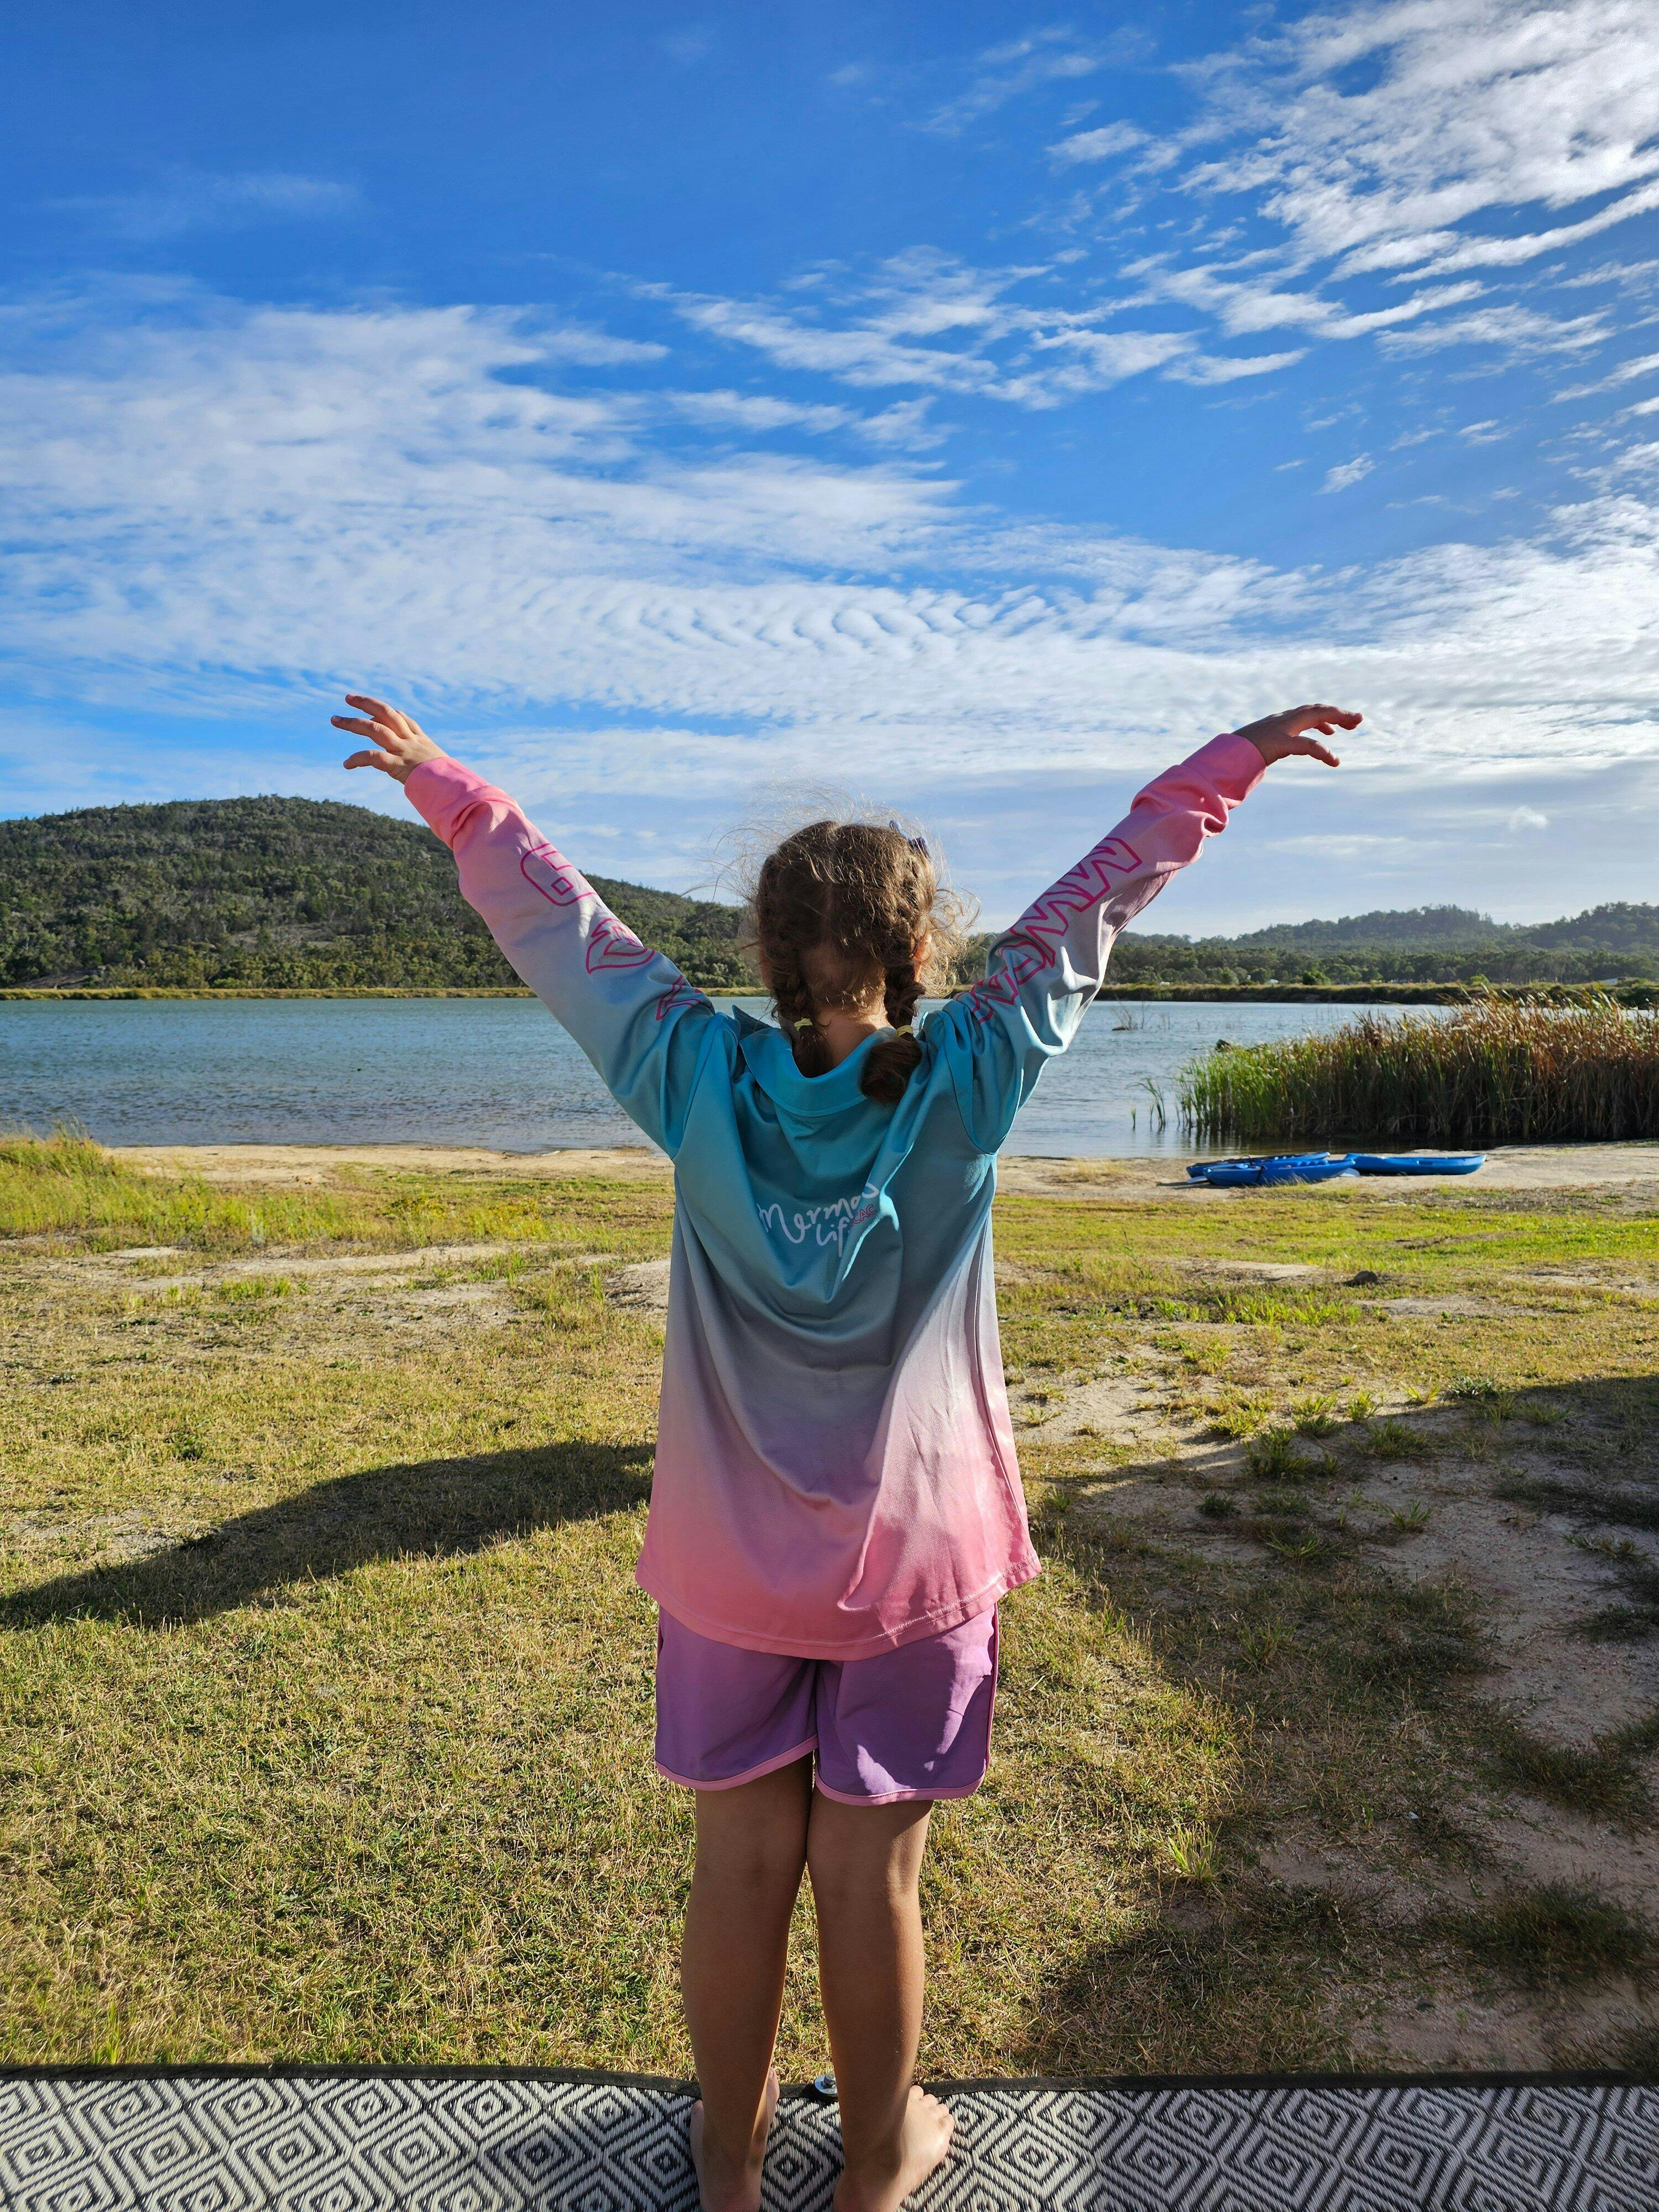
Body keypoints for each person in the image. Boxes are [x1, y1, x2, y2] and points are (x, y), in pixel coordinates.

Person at [335, 693, 1355, 2212]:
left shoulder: (689, 1071)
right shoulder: (973, 1074)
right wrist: (1233, 761)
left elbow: (562, 928)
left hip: (728, 1568)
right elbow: (1096, 904)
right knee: (871, 1876)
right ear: (918, 949)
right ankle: (877, 2165)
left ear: (766, 954)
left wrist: (455, 795)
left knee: (740, 1866)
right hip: (914, 1568)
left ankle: (729, 2163)